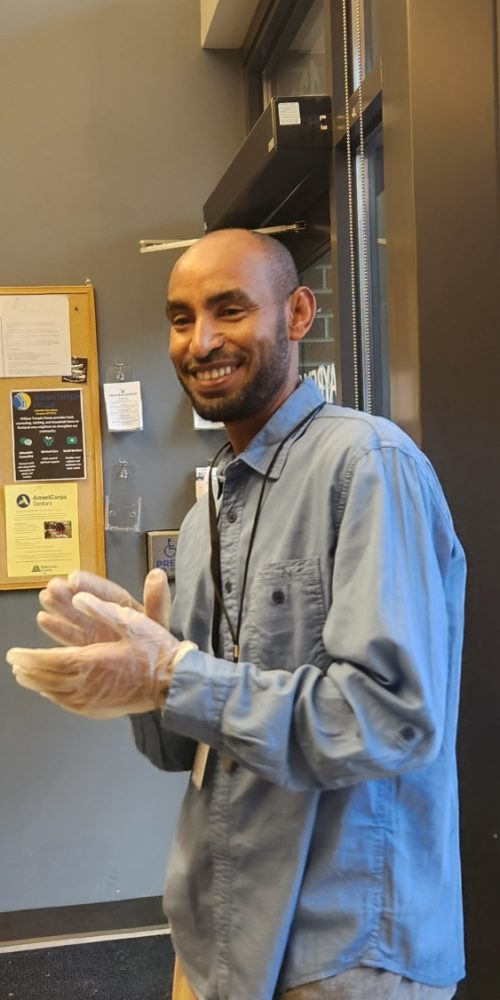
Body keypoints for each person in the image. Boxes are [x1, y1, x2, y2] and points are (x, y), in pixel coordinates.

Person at [7, 229, 466, 1000]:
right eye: (182, 318)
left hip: (346, 954)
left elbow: (389, 717)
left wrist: (176, 672)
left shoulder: (368, 466)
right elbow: (185, 742)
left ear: (296, 314)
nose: (202, 340)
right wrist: (133, 679)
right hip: (219, 937)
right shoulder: (209, 509)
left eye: (229, 310)